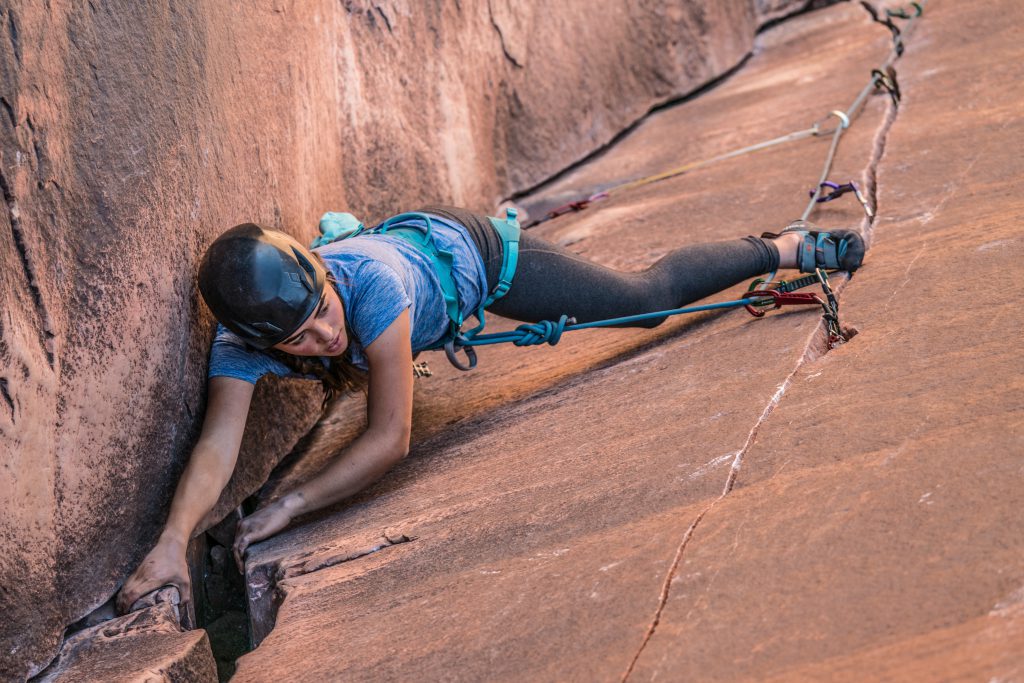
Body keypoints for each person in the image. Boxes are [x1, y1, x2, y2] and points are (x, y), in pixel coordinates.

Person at [115, 205, 863, 613]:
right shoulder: (246, 340)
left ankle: (780, 248)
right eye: (298, 337)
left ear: (321, 274)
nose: (323, 334)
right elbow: (217, 441)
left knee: (644, 303)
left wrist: (294, 506)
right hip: (415, 259)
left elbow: (391, 435)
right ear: (255, 338)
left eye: (320, 311)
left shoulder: (368, 285)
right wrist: (173, 538)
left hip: (479, 257)